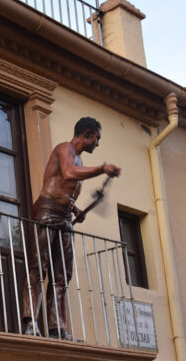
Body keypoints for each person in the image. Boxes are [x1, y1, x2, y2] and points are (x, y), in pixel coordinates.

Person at [22, 117, 121, 340]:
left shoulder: (79, 159)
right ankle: (30, 323)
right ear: (87, 134)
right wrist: (102, 168)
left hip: (65, 217)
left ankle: (58, 329)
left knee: (62, 275)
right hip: (47, 211)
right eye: (97, 138)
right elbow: (67, 173)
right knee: (39, 267)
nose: (97, 143)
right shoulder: (64, 149)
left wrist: (75, 210)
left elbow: (63, 188)